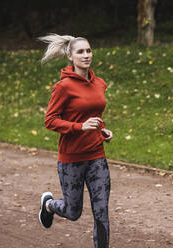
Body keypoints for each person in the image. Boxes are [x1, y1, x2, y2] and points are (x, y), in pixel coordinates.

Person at [37, 33, 113, 248]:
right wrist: (79, 127)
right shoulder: (63, 86)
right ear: (70, 56)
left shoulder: (99, 83)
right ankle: (50, 205)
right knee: (73, 212)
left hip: (97, 157)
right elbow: (50, 121)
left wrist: (103, 130)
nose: (86, 55)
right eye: (80, 51)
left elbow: (94, 115)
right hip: (71, 159)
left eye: (88, 50)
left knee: (101, 213)